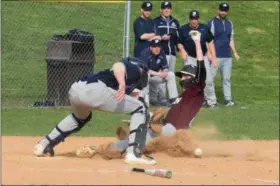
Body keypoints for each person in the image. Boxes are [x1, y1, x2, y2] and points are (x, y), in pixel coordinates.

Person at [33, 57, 157, 165]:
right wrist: (122, 83)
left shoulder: (113, 77)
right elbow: (119, 66)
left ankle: (43, 145)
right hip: (95, 90)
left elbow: (130, 99)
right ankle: (134, 154)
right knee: (140, 108)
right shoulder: (135, 70)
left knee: (79, 118)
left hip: (75, 89)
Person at [105, 30, 207, 154]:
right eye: (182, 76)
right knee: (145, 133)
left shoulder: (196, 90)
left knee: (144, 141)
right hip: (167, 128)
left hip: (175, 131)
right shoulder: (182, 95)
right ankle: (121, 145)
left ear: (193, 78)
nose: (183, 78)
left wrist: (197, 42)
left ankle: (115, 149)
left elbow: (201, 65)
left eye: (186, 76)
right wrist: (154, 118)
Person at [177, 10, 218, 108]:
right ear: (189, 19)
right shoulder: (183, 29)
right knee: (188, 81)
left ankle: (211, 102)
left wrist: (214, 57)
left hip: (202, 58)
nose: (194, 21)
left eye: (195, 19)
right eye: (192, 19)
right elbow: (179, 42)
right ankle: (189, 101)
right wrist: (182, 50)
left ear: (198, 19)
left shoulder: (204, 28)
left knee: (208, 80)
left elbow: (211, 42)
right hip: (190, 57)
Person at [207, 2, 240, 107]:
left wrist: (235, 52)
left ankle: (228, 100)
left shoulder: (230, 23)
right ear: (218, 10)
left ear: (227, 11)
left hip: (227, 57)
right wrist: (210, 54)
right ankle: (209, 100)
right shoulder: (212, 22)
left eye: (225, 10)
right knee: (210, 79)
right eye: (221, 10)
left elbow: (231, 39)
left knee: (226, 79)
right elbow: (208, 40)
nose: (223, 12)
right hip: (215, 56)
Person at [153, 1, 180, 102]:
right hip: (161, 53)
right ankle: (162, 98)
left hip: (172, 53)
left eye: (168, 8)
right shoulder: (155, 21)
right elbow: (153, 36)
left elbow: (178, 38)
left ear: (171, 10)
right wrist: (161, 38)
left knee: (171, 75)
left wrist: (179, 49)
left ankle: (172, 98)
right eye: (165, 8)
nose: (167, 10)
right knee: (162, 76)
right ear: (161, 10)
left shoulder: (175, 22)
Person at [138, 39, 178, 107]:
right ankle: (146, 101)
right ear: (150, 47)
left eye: (158, 46)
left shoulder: (161, 52)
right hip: (143, 79)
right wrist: (159, 74)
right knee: (146, 75)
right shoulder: (145, 53)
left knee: (171, 75)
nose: (157, 49)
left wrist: (165, 72)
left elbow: (165, 67)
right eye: (154, 47)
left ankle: (173, 99)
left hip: (154, 76)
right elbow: (145, 70)